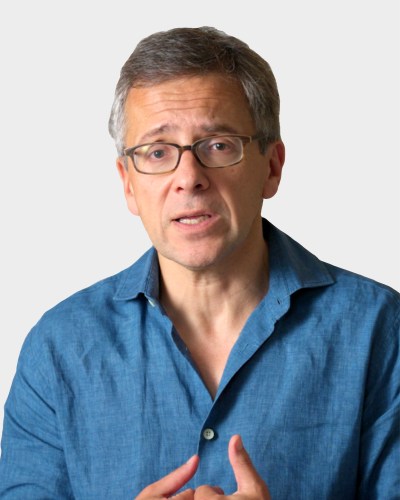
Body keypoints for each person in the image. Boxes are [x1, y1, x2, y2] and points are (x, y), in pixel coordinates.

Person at [0, 26, 399, 499]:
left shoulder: (380, 329)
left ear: (271, 167)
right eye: (157, 152)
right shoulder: (59, 348)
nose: (188, 178)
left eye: (218, 145)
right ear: (128, 183)